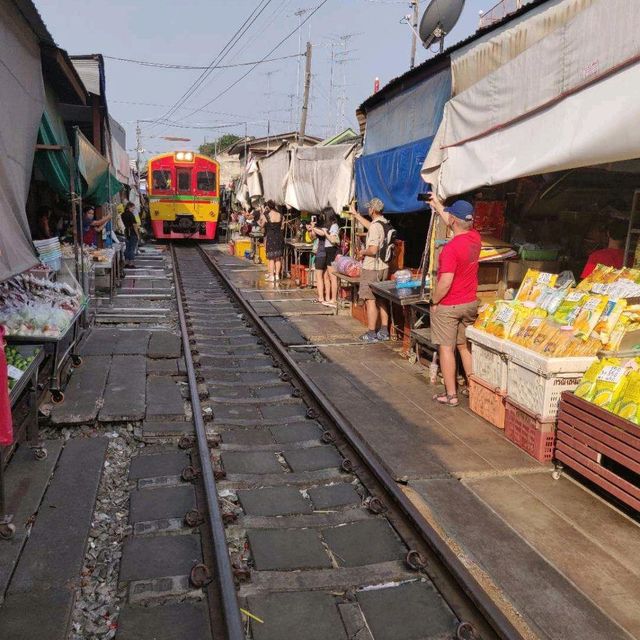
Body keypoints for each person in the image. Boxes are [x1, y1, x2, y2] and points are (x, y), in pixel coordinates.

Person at [428, 196, 482, 407]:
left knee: (446, 348)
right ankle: (474, 388)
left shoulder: (450, 249)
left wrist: (434, 301)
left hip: (449, 305)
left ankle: (451, 395)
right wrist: (436, 204)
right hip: (469, 303)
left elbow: (445, 282)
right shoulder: (475, 238)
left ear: (452, 221)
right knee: (463, 346)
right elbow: (452, 218)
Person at [349, 198, 391, 342]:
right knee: (381, 299)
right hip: (383, 267)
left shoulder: (375, 227)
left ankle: (372, 333)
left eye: (369, 208)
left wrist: (362, 252)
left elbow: (373, 250)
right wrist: (355, 215)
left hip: (372, 268)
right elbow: (371, 227)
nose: (368, 210)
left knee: (370, 300)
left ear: (372, 210)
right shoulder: (384, 223)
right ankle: (384, 331)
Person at [308, 208, 340, 306]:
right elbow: (312, 237)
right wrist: (312, 228)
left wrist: (315, 228)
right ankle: (327, 298)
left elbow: (330, 237)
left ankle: (330, 298)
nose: (322, 217)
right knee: (326, 276)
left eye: (323, 215)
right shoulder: (325, 225)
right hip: (326, 251)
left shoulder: (333, 226)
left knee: (330, 277)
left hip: (328, 252)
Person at [259, 200, 284, 282]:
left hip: (271, 237)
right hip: (279, 237)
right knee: (278, 257)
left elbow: (261, 226)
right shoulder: (281, 215)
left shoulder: (266, 215)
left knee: (271, 258)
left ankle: (271, 276)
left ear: (268, 207)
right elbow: (282, 227)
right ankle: (277, 275)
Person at [121, 202, 139, 268]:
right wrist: (138, 234)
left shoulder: (122, 214)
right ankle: (131, 263)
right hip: (132, 233)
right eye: (133, 208)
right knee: (132, 248)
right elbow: (134, 225)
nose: (133, 210)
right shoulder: (131, 215)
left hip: (125, 232)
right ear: (129, 207)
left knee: (127, 247)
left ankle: (126, 262)